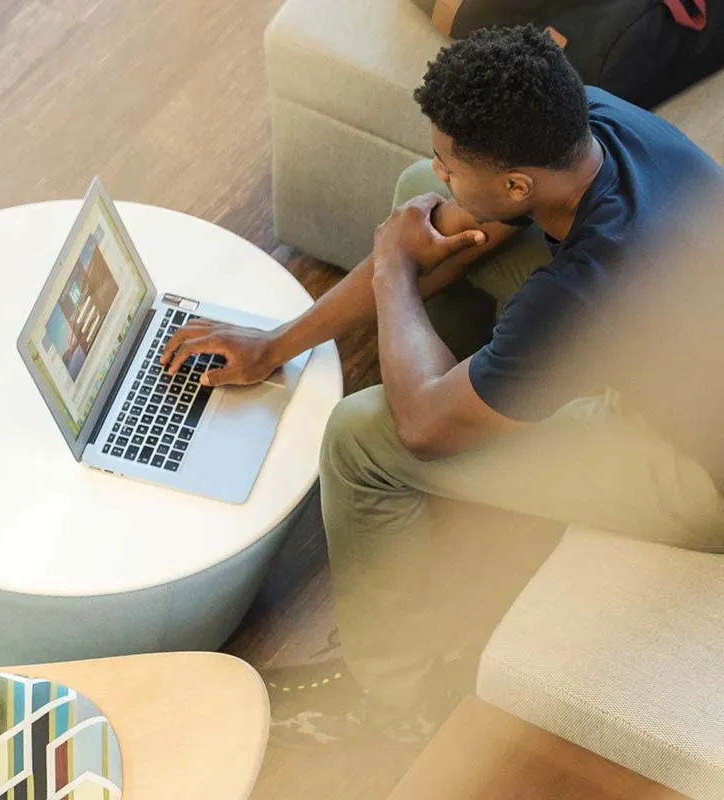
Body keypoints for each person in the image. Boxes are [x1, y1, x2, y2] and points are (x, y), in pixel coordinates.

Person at [161, 25, 724, 746]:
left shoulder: (590, 283)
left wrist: (394, 268)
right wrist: (276, 345)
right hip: (676, 348)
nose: (441, 166)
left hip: (694, 470)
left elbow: (422, 426)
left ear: (519, 184)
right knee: (418, 199)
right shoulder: (590, 123)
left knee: (366, 437)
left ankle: (392, 701)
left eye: (452, 158)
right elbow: (441, 217)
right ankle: (472, 393)